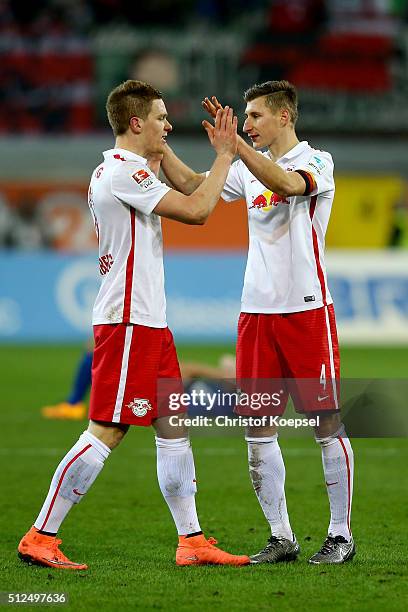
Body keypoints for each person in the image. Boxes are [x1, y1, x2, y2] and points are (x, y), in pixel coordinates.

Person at [18, 79, 249, 570]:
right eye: (162, 118)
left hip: (147, 320)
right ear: (137, 122)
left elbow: (190, 185)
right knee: (109, 427)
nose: (169, 125)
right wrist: (227, 156)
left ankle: (192, 540)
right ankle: (41, 535)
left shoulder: (128, 168)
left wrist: (185, 156)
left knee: (173, 424)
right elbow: (198, 209)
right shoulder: (123, 173)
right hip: (127, 320)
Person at [160, 80, 355, 565]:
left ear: (284, 116)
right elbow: (191, 185)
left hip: (307, 312)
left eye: (254, 116)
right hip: (256, 316)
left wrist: (237, 148)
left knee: (326, 421)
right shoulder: (247, 169)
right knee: (258, 426)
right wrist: (158, 146)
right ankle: (281, 536)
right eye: (243, 118)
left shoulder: (317, 161)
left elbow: (288, 186)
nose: (246, 124)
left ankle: (340, 535)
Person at [41, 350, 236, 420]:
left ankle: (74, 404)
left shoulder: (228, 401)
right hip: (173, 398)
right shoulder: (228, 396)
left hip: (169, 399)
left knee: (95, 354)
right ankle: (74, 404)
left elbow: (191, 370)